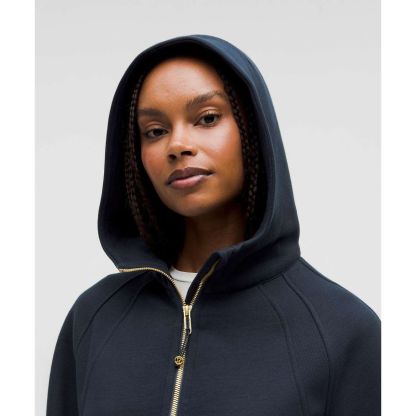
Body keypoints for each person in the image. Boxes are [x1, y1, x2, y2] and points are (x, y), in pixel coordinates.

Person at [46, 34, 381, 416]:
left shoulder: (343, 330)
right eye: (155, 131)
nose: (178, 144)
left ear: (252, 128)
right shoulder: (94, 316)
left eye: (207, 118)